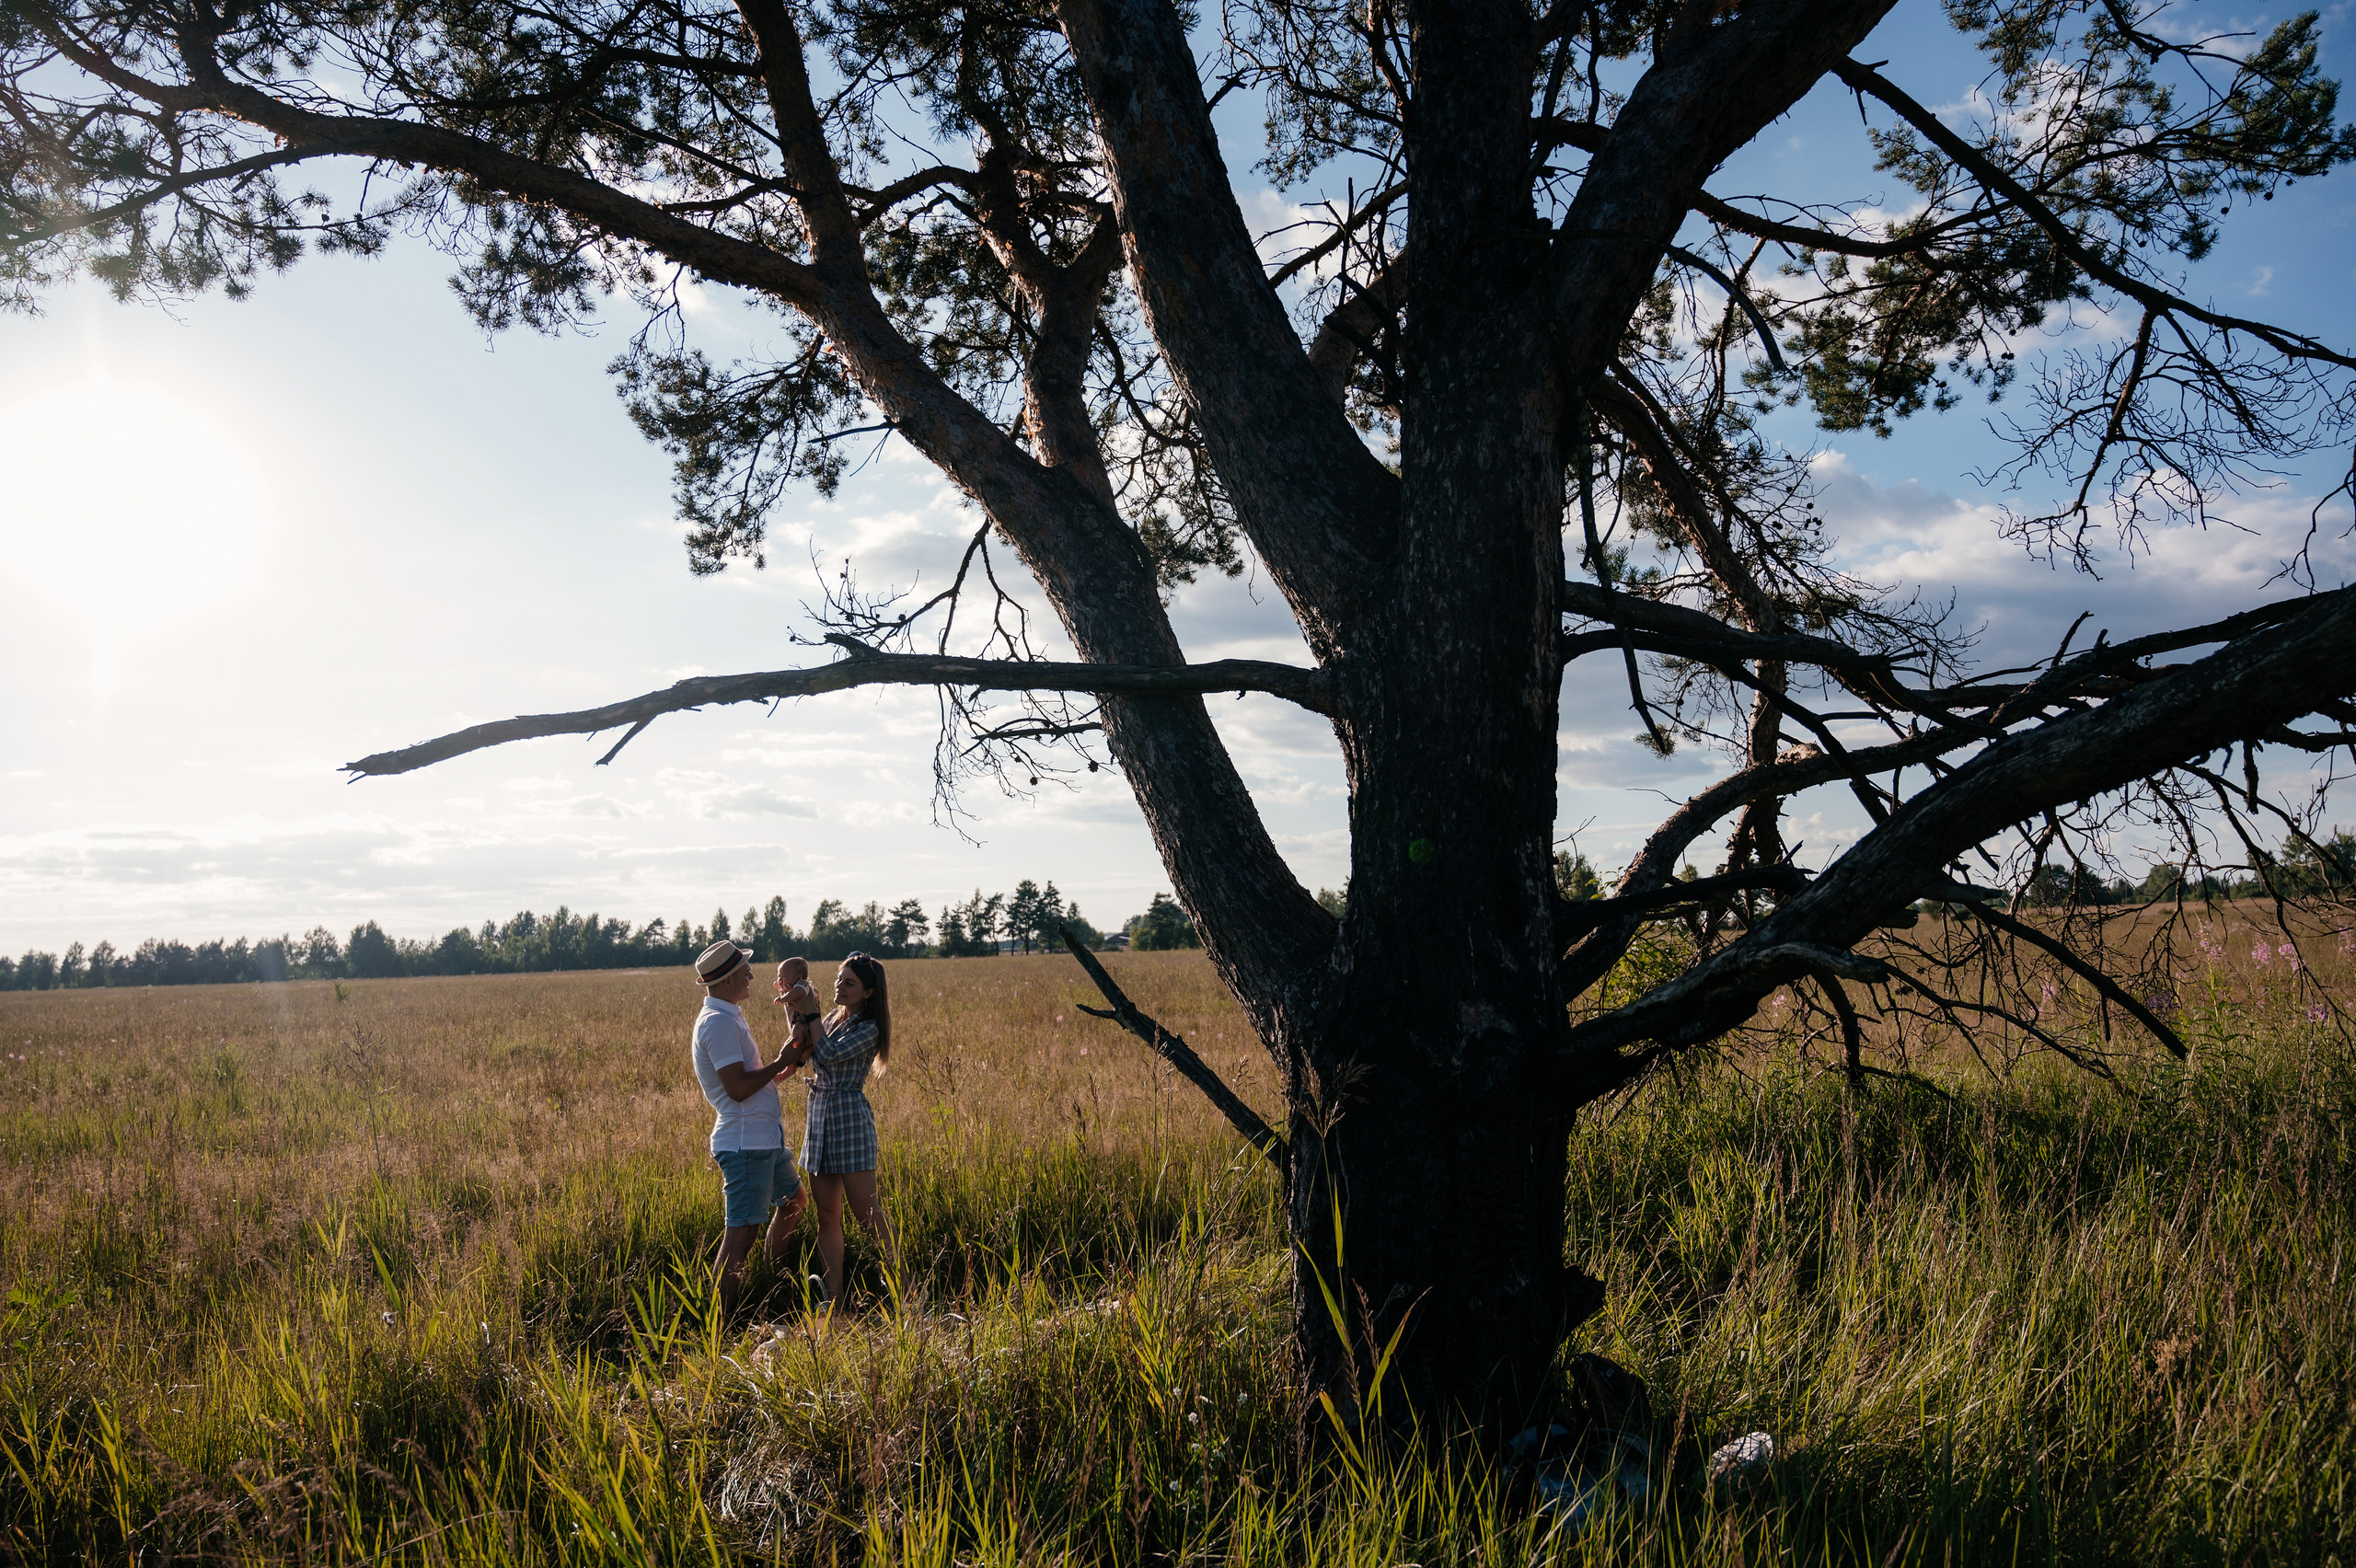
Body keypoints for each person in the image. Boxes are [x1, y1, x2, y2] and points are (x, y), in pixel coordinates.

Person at [690, 939, 809, 1316]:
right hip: (745, 1145)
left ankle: (770, 1287)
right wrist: (779, 1062)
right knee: (740, 1236)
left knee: (793, 1202)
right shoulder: (718, 1023)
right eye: (745, 972)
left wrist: (781, 1069)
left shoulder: (728, 1016)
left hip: (762, 1140)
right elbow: (738, 1089)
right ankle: (720, 1331)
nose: (752, 976)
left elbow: (748, 1079)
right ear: (727, 982)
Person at [802, 951, 895, 1308]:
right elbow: (807, 1049)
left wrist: (810, 1012)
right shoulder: (833, 1018)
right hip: (821, 1120)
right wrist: (797, 1007)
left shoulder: (869, 1028)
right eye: (840, 978)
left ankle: (908, 1291)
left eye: (850, 983)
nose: (840, 986)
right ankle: (834, 1303)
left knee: (868, 1215)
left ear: (868, 993)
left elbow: (826, 1055)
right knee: (826, 1216)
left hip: (850, 1122)